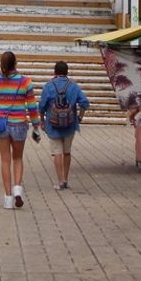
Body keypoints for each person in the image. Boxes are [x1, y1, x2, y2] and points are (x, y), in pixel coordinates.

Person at [0, 51, 40, 209]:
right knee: (17, 158)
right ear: (15, 63)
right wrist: (36, 124)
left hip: (2, 124)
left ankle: (7, 198)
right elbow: (32, 106)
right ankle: (17, 188)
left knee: (5, 160)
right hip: (19, 124)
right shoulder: (25, 81)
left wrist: (1, 107)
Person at [38, 61, 90, 189]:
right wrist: (80, 117)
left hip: (53, 123)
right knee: (67, 152)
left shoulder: (49, 86)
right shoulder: (74, 86)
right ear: (67, 72)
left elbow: (42, 106)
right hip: (70, 124)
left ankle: (60, 181)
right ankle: (66, 179)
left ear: (55, 72)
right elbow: (84, 102)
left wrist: (42, 120)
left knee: (57, 152)